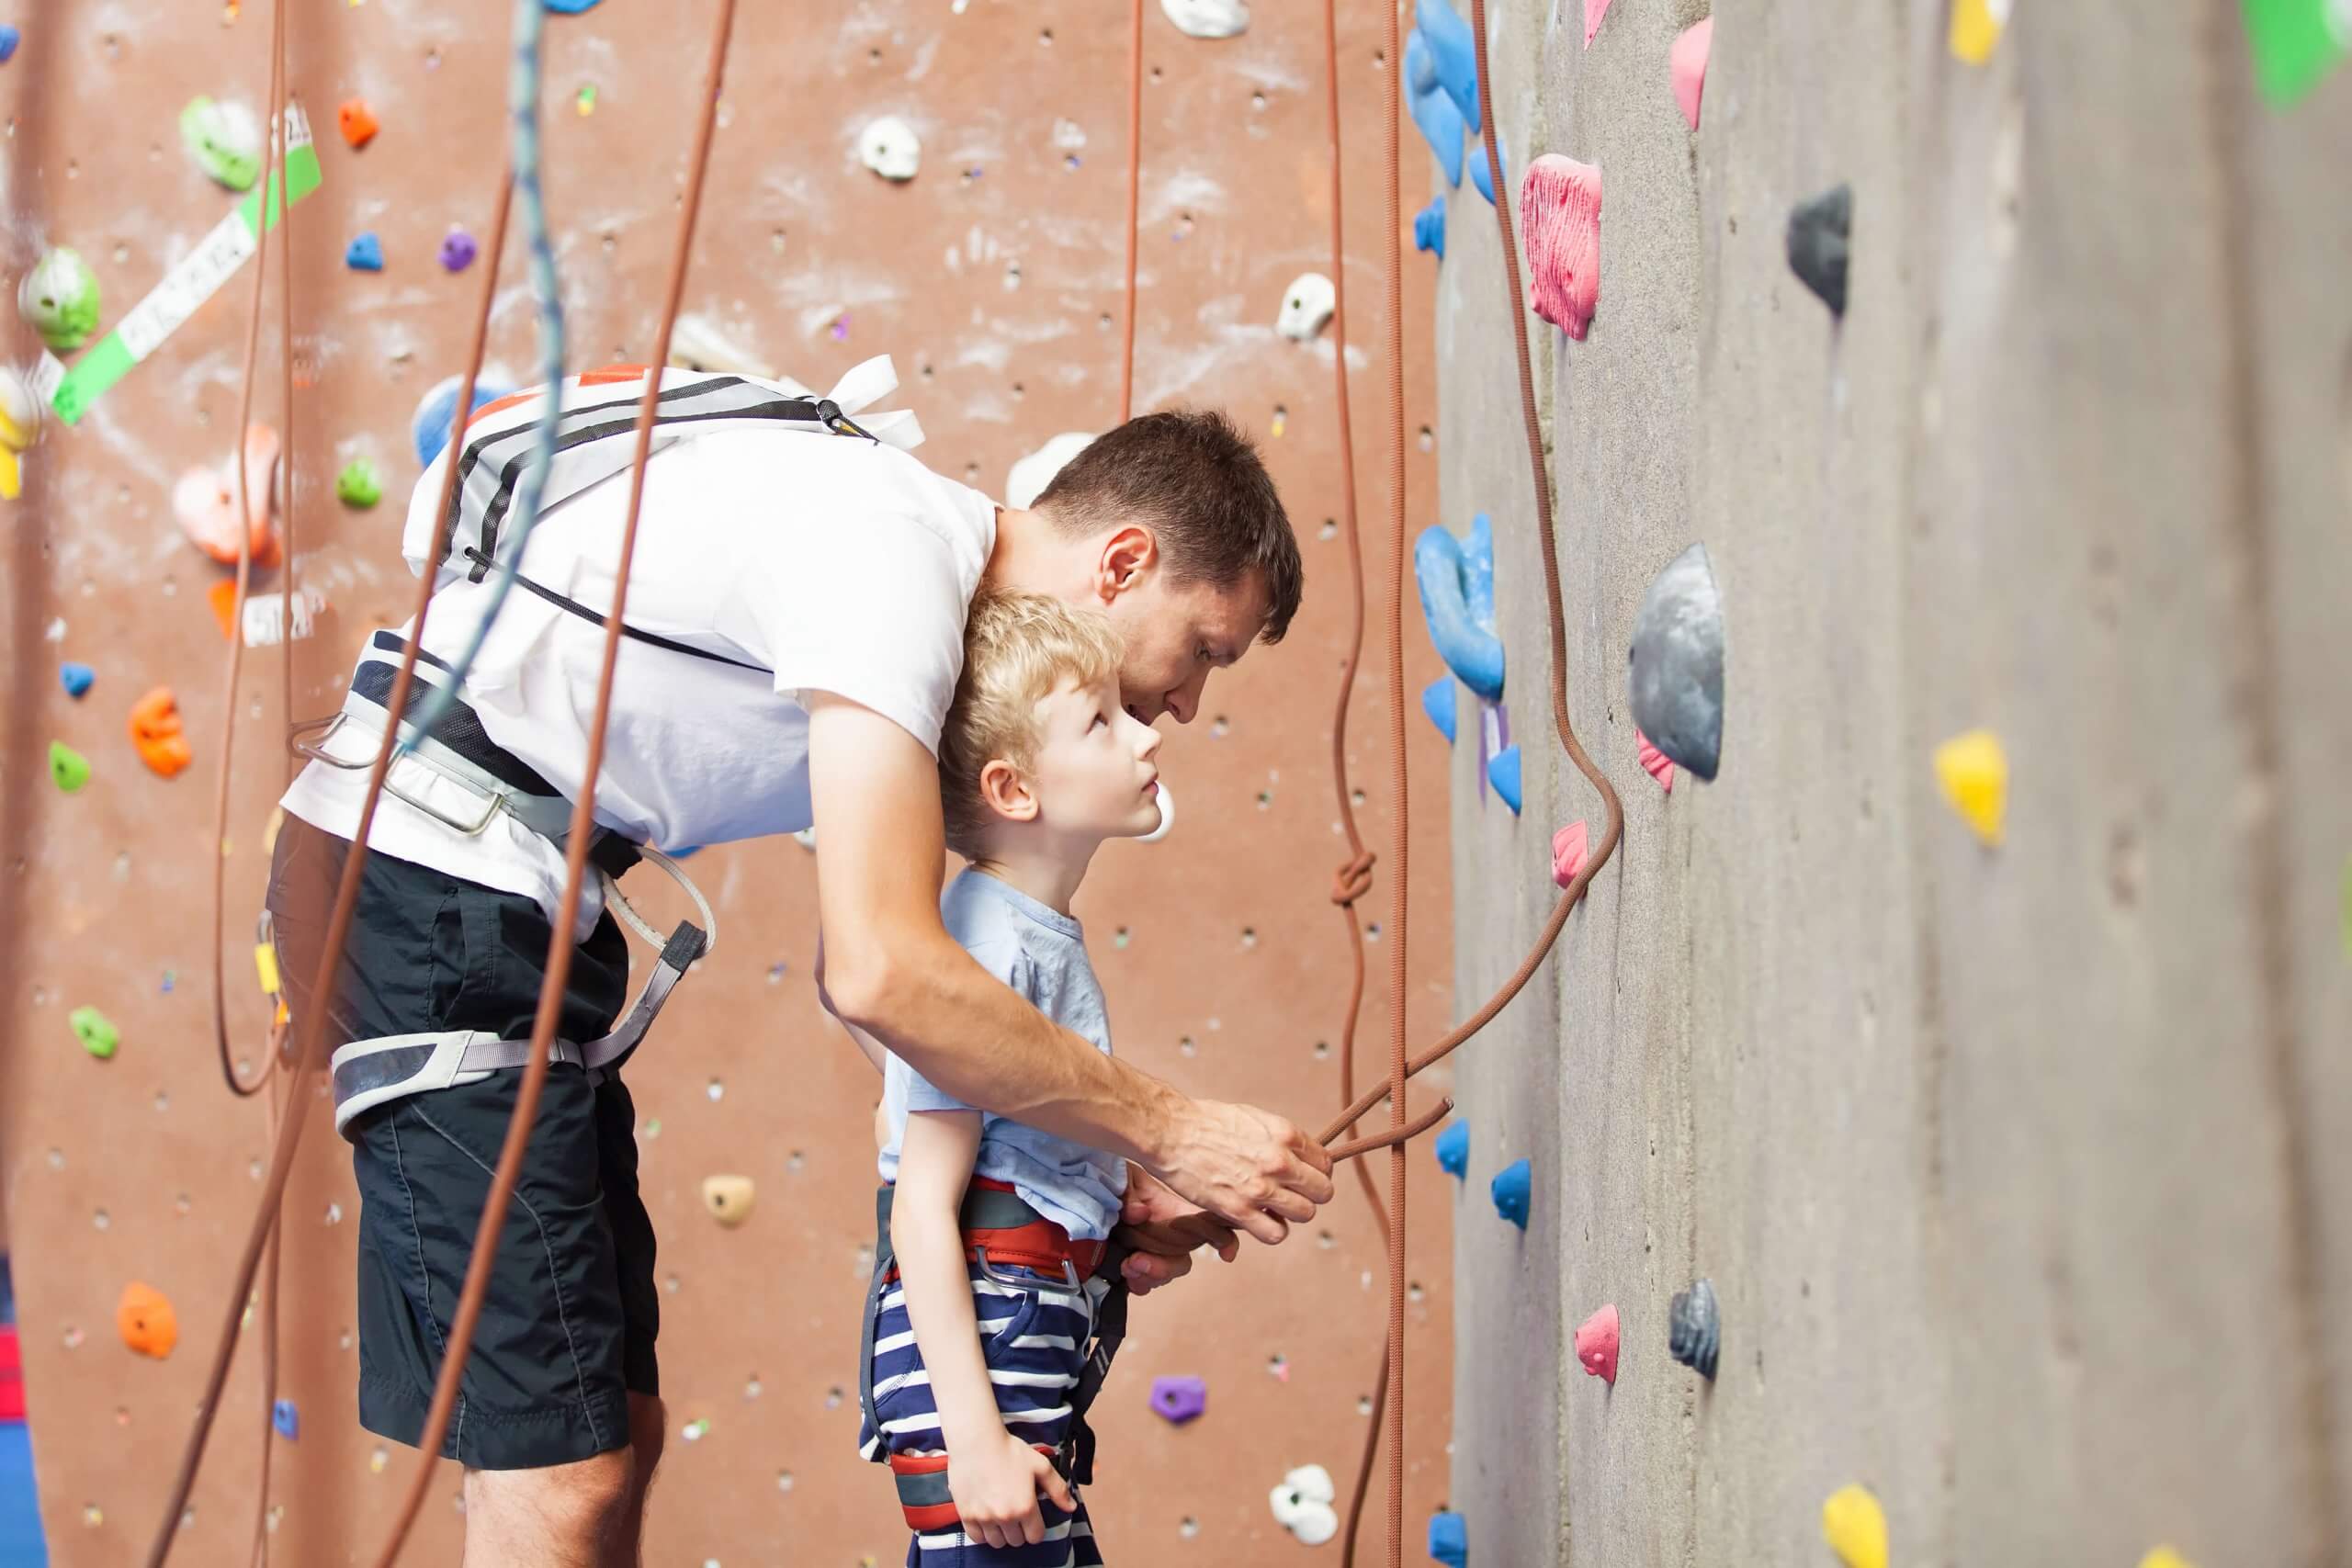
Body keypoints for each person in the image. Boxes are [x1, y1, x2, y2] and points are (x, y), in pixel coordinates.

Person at [261, 359, 1334, 1568]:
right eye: (1203, 649)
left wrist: (1095, 1166)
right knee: (559, 1474)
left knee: (618, 1437)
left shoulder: (915, 592)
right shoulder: (890, 560)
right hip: (427, 881)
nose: (1185, 704)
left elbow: (893, 993)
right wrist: (1171, 1130)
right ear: (1125, 563)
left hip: (494, 896)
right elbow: (883, 973)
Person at [835, 591, 1210, 1563]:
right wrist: (973, 1443)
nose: (1146, 736)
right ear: (1013, 789)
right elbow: (923, 1202)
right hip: (984, 1352)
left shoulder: (1021, 933)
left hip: (1020, 1327)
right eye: (1101, 721)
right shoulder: (990, 945)